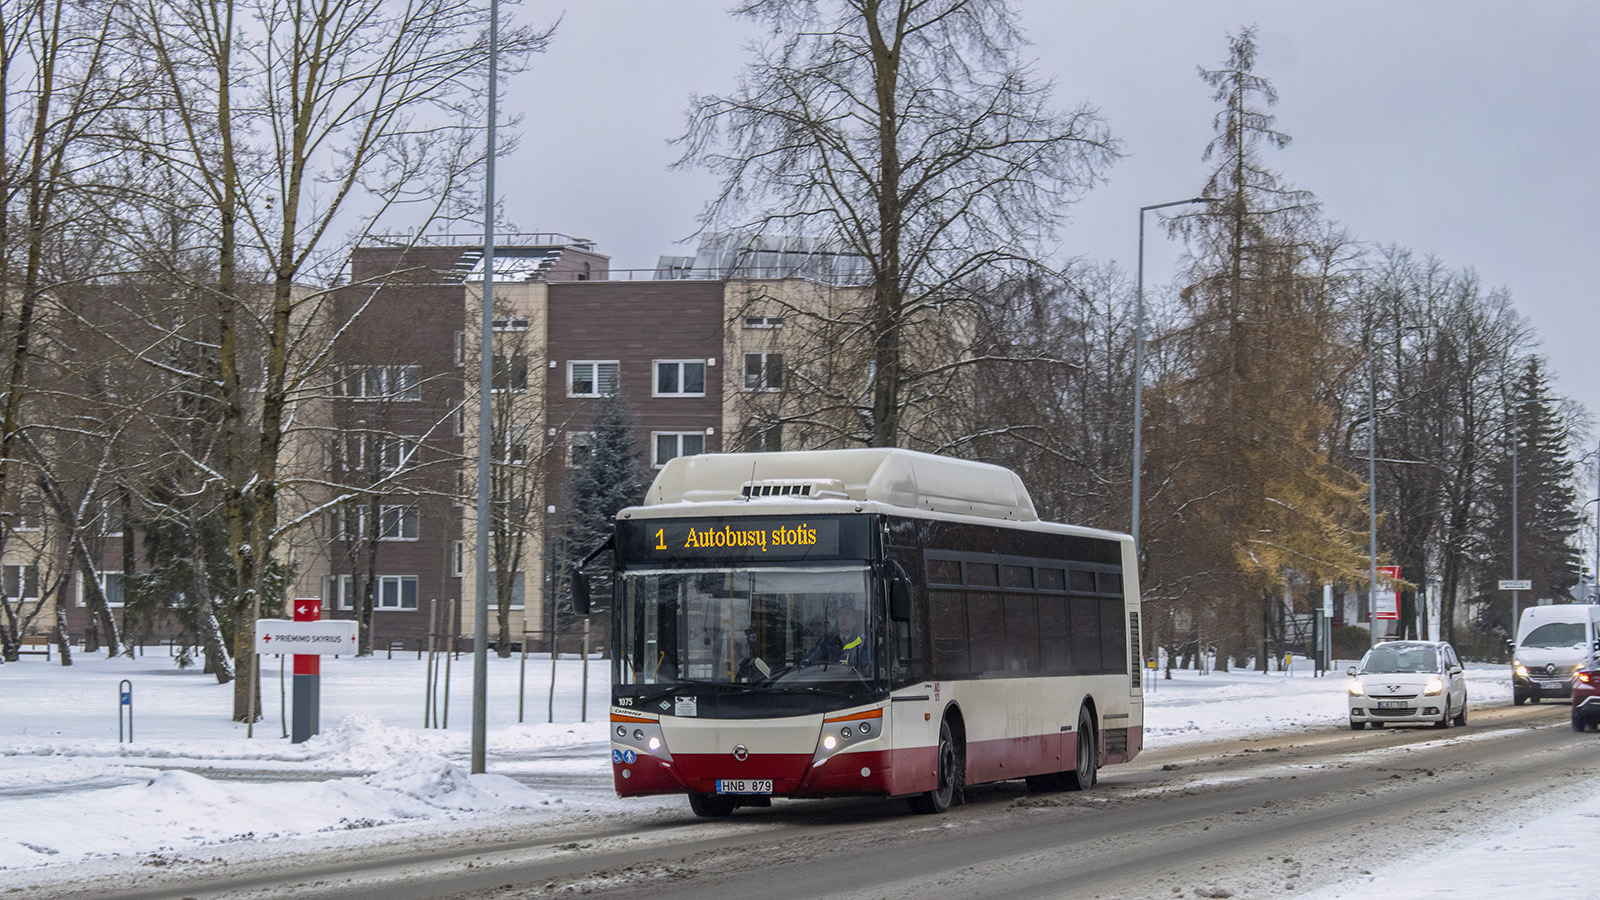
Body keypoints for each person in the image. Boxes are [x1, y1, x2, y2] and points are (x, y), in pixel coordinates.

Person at [801, 604, 870, 671]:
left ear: (854, 621)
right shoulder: (826, 643)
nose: (843, 618)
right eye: (840, 614)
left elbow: (868, 668)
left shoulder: (863, 645)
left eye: (847, 614)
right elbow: (812, 658)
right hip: (829, 681)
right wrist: (805, 663)